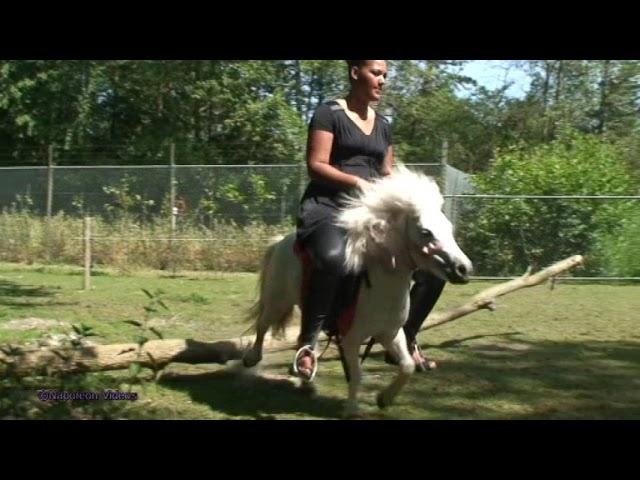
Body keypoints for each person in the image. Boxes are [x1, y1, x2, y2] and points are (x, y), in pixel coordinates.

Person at [293, 60, 446, 380]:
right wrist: (360, 183)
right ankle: (308, 343)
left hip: (374, 213)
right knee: (334, 259)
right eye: (376, 73)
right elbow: (316, 165)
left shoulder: (384, 123)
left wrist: (408, 195)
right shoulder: (328, 113)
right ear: (354, 73)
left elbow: (387, 172)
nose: (382, 81)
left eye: (385, 75)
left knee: (435, 266)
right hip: (329, 208)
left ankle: (407, 337)